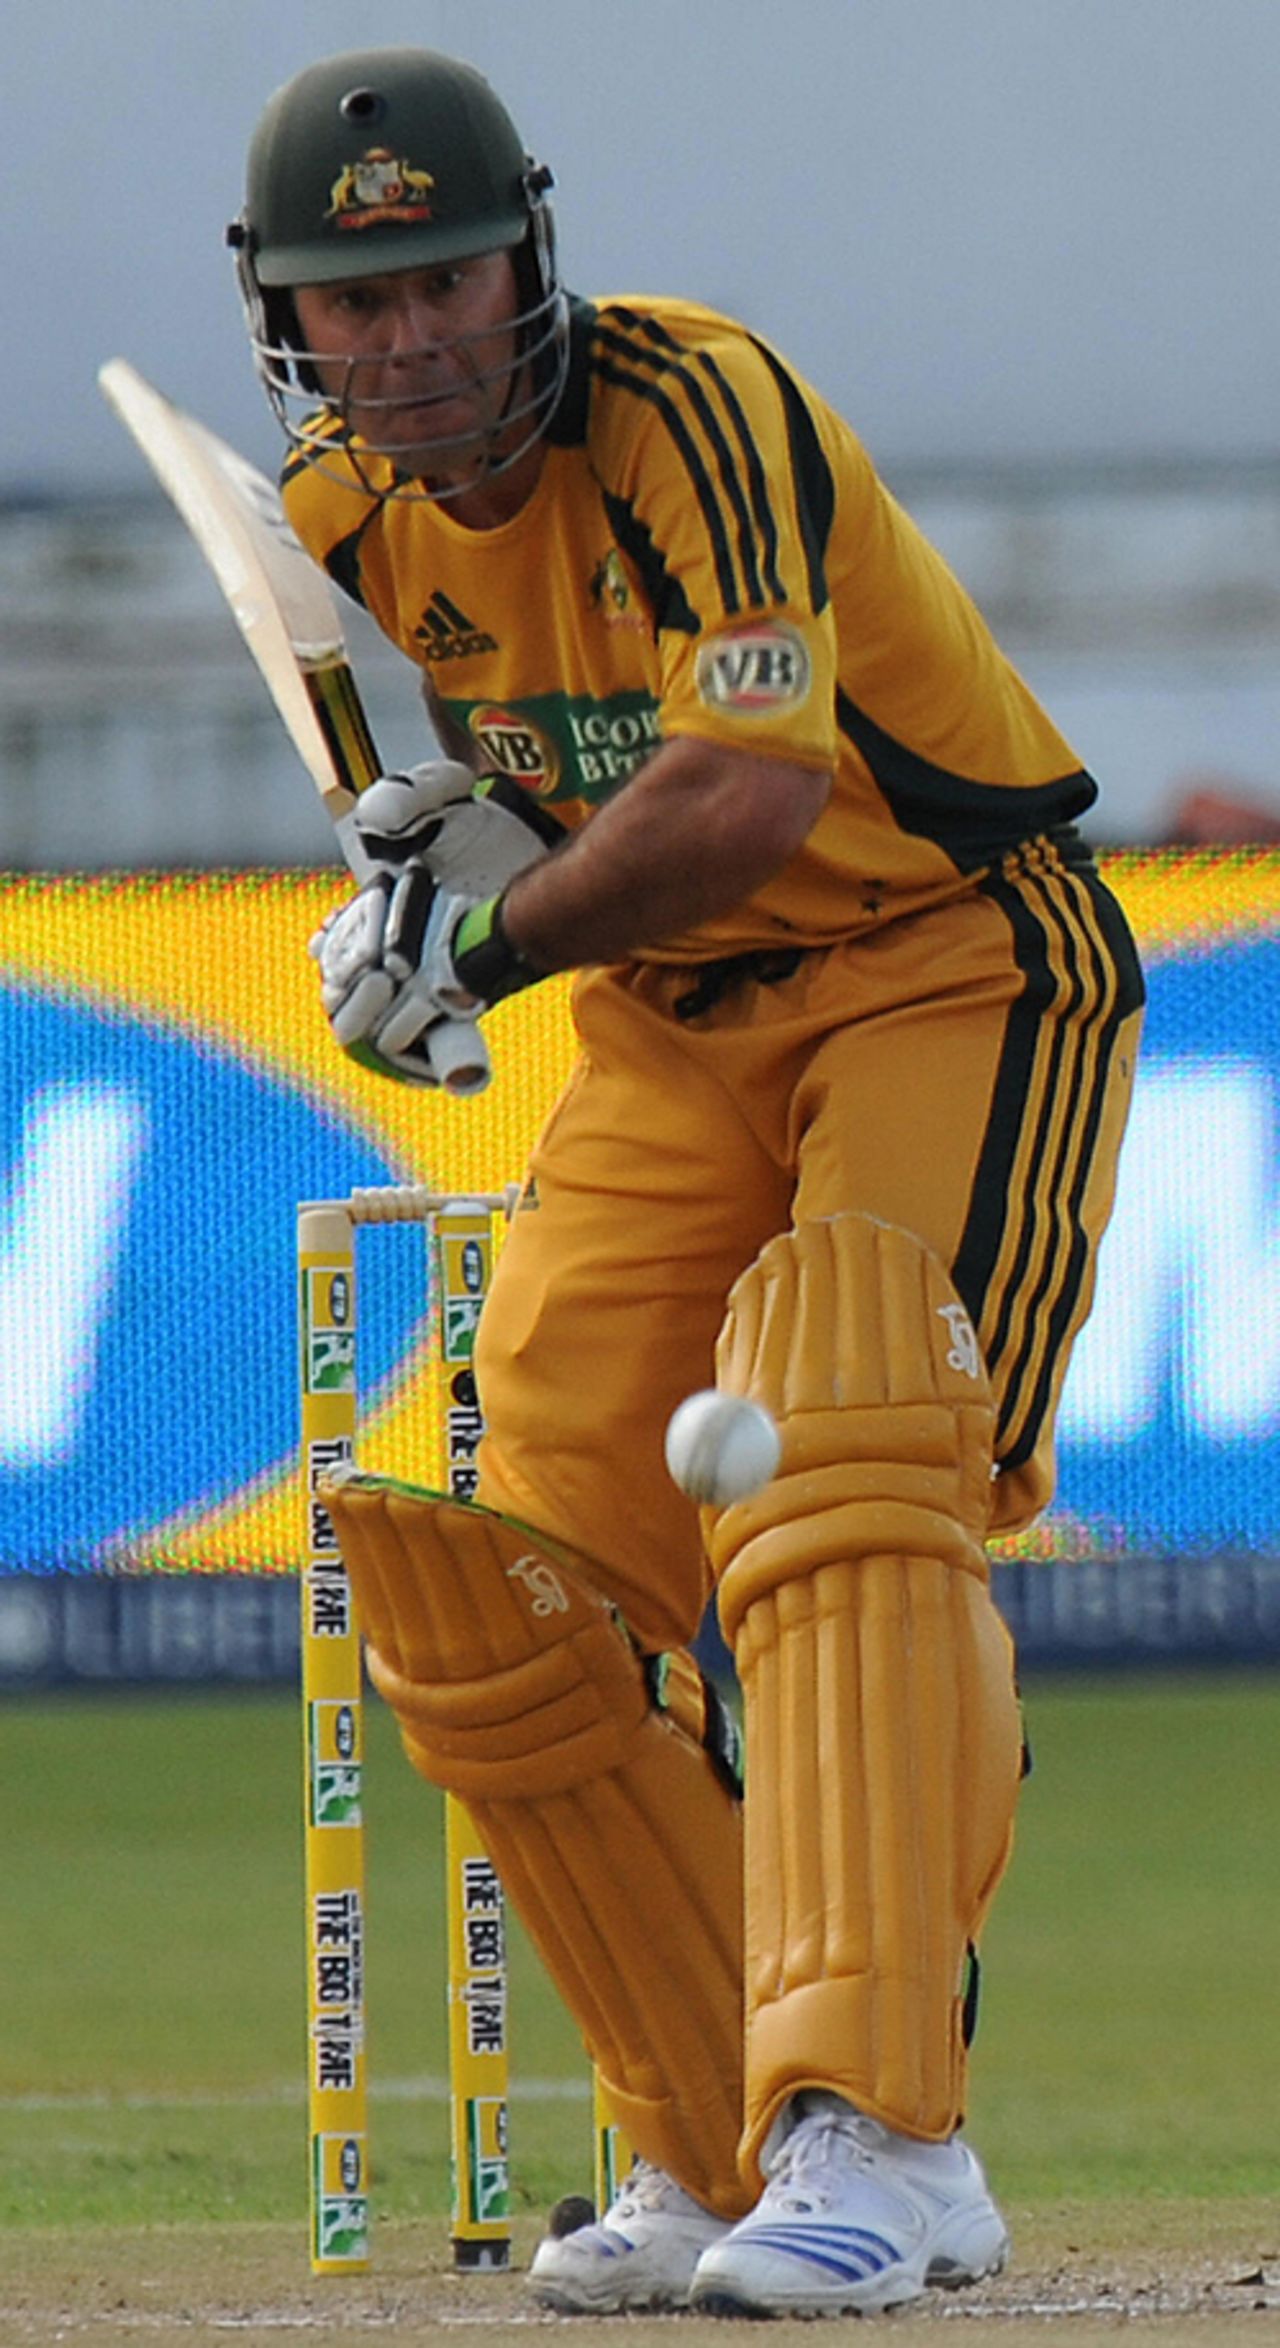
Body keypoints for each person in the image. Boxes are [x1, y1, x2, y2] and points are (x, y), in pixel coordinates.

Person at [230, 48, 1144, 2318]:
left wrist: (494, 938)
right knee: (501, 1575)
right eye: (358, 302)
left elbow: (741, 784)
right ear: (294, 323)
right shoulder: (335, 526)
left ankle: (889, 2134)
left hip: (943, 956)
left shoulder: (687, 405)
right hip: (671, 1029)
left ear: (528, 261)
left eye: (444, 278)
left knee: (846, 1435)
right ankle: (712, 2143)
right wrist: (415, 906)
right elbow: (478, 828)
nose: (409, 336)